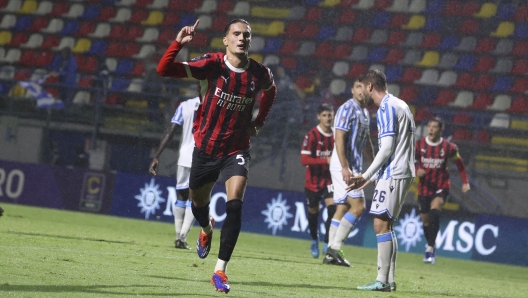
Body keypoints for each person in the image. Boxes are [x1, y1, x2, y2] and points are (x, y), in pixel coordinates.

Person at [156, 19, 276, 293]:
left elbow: (271, 92)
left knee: (235, 204)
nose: (242, 38)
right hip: (206, 148)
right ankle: (206, 228)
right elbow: (163, 69)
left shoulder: (259, 73)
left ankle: (219, 270)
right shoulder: (212, 65)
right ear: (225, 40)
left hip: (236, 149)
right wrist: (178, 43)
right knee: (199, 205)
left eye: (247, 34)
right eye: (236, 34)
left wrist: (259, 121)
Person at [348, 70, 415, 292]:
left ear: (369, 86)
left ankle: (382, 280)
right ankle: (389, 279)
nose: (360, 92)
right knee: (386, 224)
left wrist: (366, 175)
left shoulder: (386, 107)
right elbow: (398, 147)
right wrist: (373, 177)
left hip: (395, 172)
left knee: (380, 223)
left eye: (361, 87)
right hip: (398, 170)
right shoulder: (400, 104)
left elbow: (387, 148)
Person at [324, 79, 375, 267]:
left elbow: (367, 142)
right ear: (353, 90)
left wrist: (375, 165)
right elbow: (339, 138)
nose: (362, 91)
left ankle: (330, 253)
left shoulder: (365, 113)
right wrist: (345, 167)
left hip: (352, 165)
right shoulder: (347, 108)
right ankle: (335, 248)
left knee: (343, 207)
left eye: (365, 87)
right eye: (358, 87)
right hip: (343, 163)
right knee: (359, 206)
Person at [415, 117, 470, 265]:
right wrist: (415, 170)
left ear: (441, 129)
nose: (431, 129)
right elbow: (409, 161)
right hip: (424, 187)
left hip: (441, 185)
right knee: (426, 222)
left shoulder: (449, 147)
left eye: (435, 127)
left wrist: (465, 182)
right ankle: (432, 246)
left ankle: (430, 248)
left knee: (435, 211)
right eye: (429, 126)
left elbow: (460, 164)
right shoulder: (419, 145)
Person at [149, 96, 201, 250]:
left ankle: (178, 236)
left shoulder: (185, 105)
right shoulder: (214, 103)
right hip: (201, 156)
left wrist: (157, 156)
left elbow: (170, 131)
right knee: (195, 198)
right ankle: (183, 237)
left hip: (184, 156)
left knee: (182, 195)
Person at [300, 103, 335, 259]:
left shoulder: (337, 135)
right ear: (318, 117)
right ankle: (314, 239)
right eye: (325, 115)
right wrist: (325, 160)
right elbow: (304, 159)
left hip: (330, 181)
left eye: (330, 115)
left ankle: (328, 243)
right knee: (313, 212)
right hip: (313, 182)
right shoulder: (311, 135)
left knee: (333, 209)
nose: (328, 118)